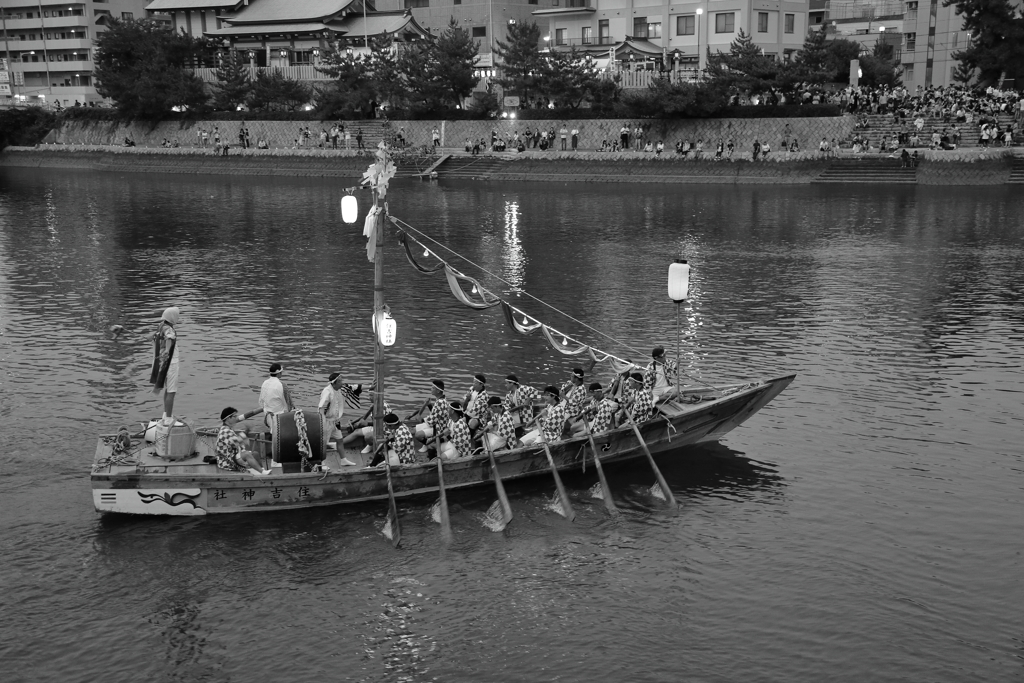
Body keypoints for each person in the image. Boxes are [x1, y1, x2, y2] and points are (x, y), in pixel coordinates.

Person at [216, 407, 271, 475]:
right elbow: (236, 443)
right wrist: (245, 433)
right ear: (228, 418)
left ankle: (260, 471)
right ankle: (262, 472)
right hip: (227, 461)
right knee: (247, 454)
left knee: (255, 454)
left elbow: (238, 443)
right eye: (234, 416)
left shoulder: (228, 429)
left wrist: (245, 435)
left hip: (233, 456)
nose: (236, 418)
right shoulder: (225, 431)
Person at [150, 306, 180, 425]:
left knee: (168, 390)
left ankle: (165, 414)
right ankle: (168, 419)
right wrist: (167, 350)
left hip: (162, 363)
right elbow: (169, 338)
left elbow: (156, 337)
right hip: (170, 363)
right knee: (172, 391)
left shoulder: (161, 326)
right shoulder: (169, 330)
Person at [318, 372, 349, 443]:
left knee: (340, 440)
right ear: (334, 383)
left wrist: (370, 387)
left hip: (335, 421)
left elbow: (353, 387)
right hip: (327, 422)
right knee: (324, 444)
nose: (342, 383)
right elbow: (321, 407)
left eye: (342, 380)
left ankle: (342, 454)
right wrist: (322, 423)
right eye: (340, 381)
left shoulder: (339, 389)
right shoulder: (327, 392)